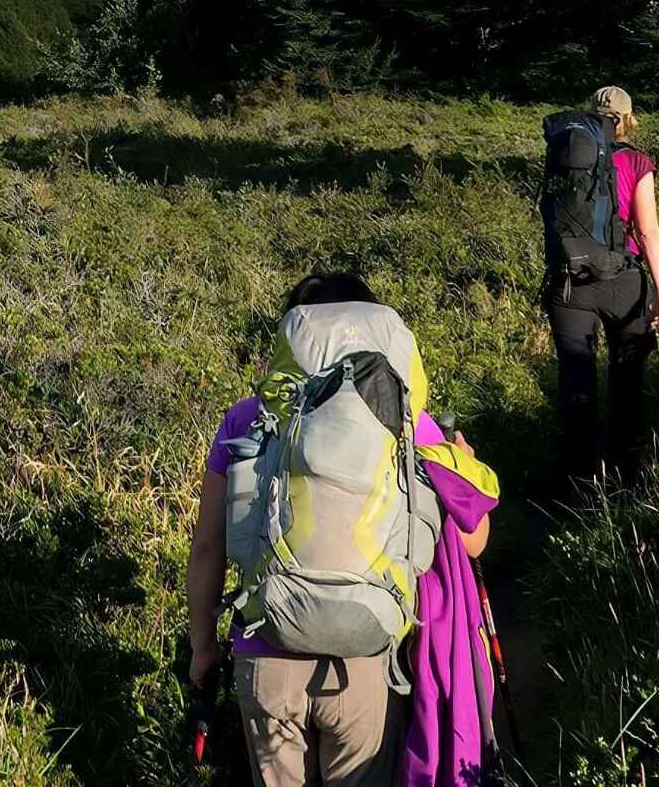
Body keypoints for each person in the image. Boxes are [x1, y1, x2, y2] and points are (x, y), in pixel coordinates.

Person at [188, 273, 432, 787]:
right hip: (366, 653)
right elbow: (472, 539)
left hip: (268, 647)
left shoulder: (246, 419)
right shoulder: (408, 420)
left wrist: (203, 648)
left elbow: (208, 545)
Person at [544, 84, 659, 484]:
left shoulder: (565, 153)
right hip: (623, 281)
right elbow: (648, 232)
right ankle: (627, 476)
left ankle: (576, 482)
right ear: (629, 118)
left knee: (576, 381)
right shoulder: (636, 161)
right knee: (627, 380)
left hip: (569, 283)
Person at [400, 417, 502, 787]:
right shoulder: (421, 427)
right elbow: (473, 539)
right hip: (426, 626)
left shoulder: (277, 417)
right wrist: (464, 463)